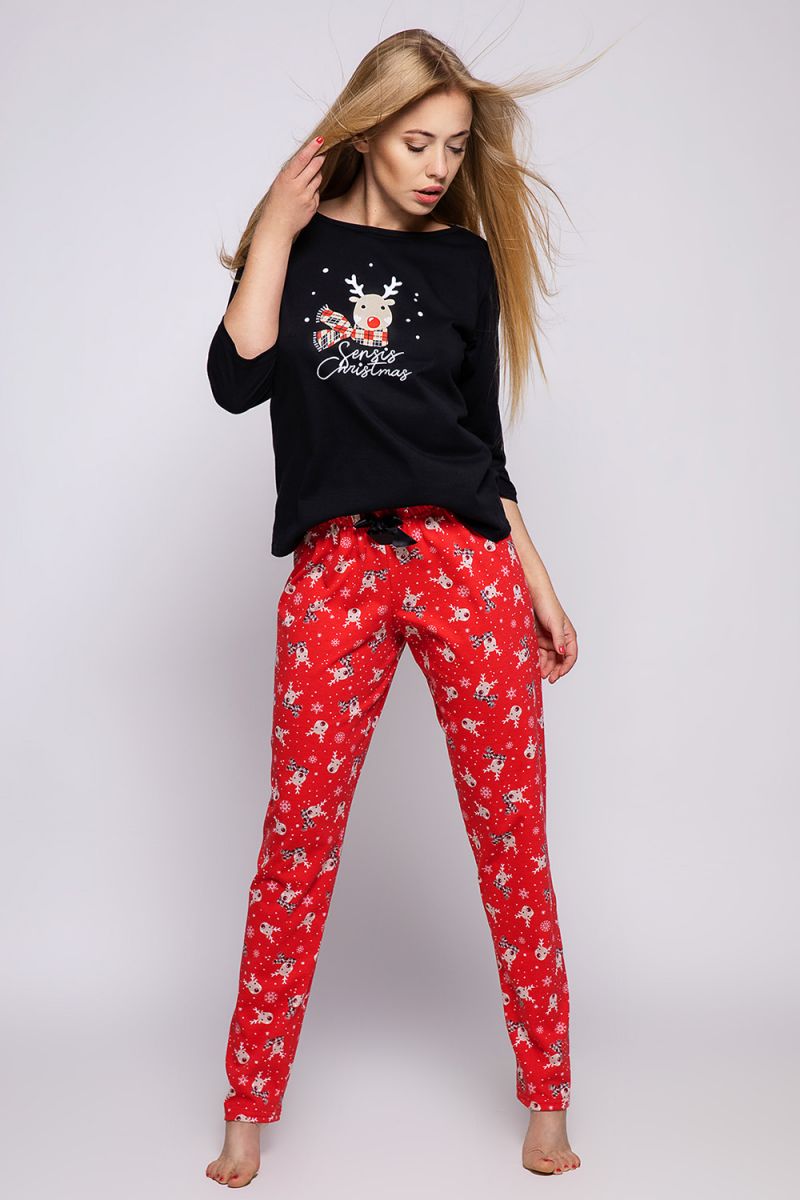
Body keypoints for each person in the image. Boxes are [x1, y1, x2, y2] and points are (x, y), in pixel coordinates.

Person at [204, 27, 601, 1187]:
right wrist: (275, 230)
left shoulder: (463, 264)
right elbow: (234, 380)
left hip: (463, 564)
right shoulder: (301, 250)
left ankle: (546, 1096)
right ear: (366, 131)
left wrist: (535, 580)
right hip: (337, 569)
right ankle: (245, 1107)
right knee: (296, 842)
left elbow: (478, 448)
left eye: (454, 146)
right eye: (417, 141)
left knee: (511, 838)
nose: (437, 166)